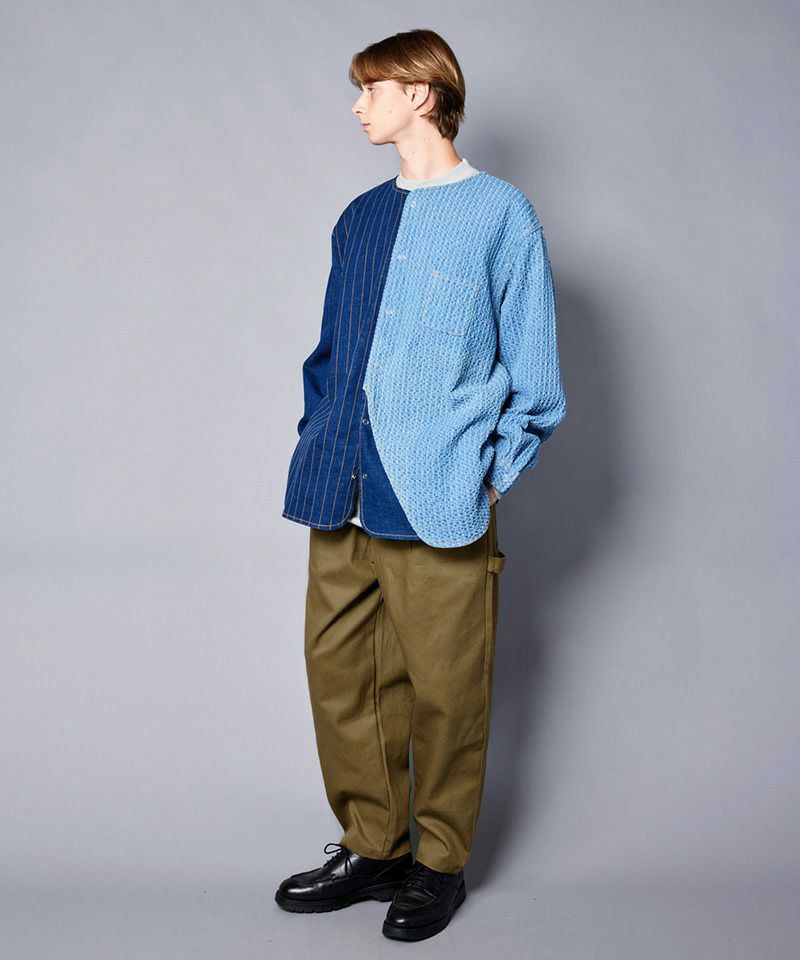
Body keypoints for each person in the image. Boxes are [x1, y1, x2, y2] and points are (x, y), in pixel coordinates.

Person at [275, 28, 566, 942]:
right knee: (341, 678)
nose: (357, 105)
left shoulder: (501, 215)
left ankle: (437, 863)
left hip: (438, 492)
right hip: (339, 485)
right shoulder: (359, 217)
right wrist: (318, 438)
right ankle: (373, 846)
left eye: (371, 88)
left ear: (422, 93)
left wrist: (492, 472)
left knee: (447, 689)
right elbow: (332, 353)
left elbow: (536, 380)